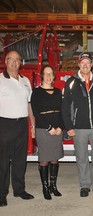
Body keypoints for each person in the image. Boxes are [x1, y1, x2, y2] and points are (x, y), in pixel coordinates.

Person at [62, 52, 93, 198]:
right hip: (79, 128)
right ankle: (84, 186)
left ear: (91, 65)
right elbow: (65, 106)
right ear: (78, 65)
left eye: (87, 62)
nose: (85, 65)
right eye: (82, 62)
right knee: (81, 158)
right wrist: (69, 126)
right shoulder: (71, 82)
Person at [0, 50, 35, 207]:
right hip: (4, 124)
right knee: (3, 162)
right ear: (5, 62)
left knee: (20, 160)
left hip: (22, 124)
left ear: (21, 62)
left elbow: (29, 104)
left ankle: (19, 190)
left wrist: (33, 125)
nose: (14, 63)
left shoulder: (25, 80)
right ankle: (1, 194)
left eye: (17, 60)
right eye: (11, 60)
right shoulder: (0, 80)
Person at [31, 65, 64, 200]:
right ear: (42, 76)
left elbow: (63, 111)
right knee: (44, 160)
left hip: (57, 130)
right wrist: (49, 127)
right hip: (44, 130)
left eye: (51, 74)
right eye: (46, 74)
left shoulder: (58, 92)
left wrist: (61, 126)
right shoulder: (36, 92)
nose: (49, 76)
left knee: (55, 159)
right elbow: (36, 113)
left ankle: (53, 186)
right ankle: (45, 188)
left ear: (54, 76)